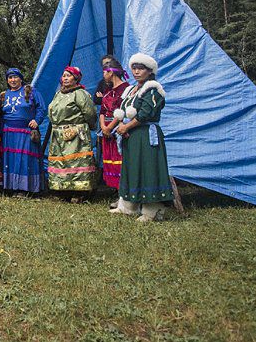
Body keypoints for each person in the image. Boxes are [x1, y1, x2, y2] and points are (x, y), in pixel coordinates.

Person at [111, 53, 173, 222]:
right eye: (134, 68)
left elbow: (145, 113)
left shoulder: (153, 89)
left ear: (150, 71)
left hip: (146, 135)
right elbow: (123, 111)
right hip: (131, 136)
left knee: (148, 168)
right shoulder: (131, 90)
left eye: (141, 69)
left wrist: (126, 127)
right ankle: (128, 206)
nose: (136, 72)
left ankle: (152, 210)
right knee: (132, 167)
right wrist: (121, 126)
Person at [46, 66, 98, 200]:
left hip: (75, 134)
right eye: (64, 76)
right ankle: (63, 190)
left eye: (68, 76)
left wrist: (85, 126)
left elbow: (90, 113)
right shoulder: (58, 94)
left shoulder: (80, 94)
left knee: (76, 161)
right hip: (58, 134)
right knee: (61, 162)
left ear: (76, 79)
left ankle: (80, 192)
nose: (65, 78)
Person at [0, 68, 48, 195]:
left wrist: (37, 120)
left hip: (26, 131)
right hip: (8, 132)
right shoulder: (4, 95)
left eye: (15, 77)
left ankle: (25, 188)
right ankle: (10, 187)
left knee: (24, 159)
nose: (13, 80)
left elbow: (42, 108)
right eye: (10, 78)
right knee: (11, 159)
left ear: (21, 79)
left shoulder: (30, 91)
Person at [97, 58, 129, 197]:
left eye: (105, 72)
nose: (103, 75)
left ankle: (123, 190)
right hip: (106, 129)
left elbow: (122, 110)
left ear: (111, 72)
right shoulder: (108, 90)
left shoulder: (126, 89)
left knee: (120, 158)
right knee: (109, 159)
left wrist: (110, 127)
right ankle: (115, 189)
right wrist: (103, 126)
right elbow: (102, 110)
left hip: (117, 129)